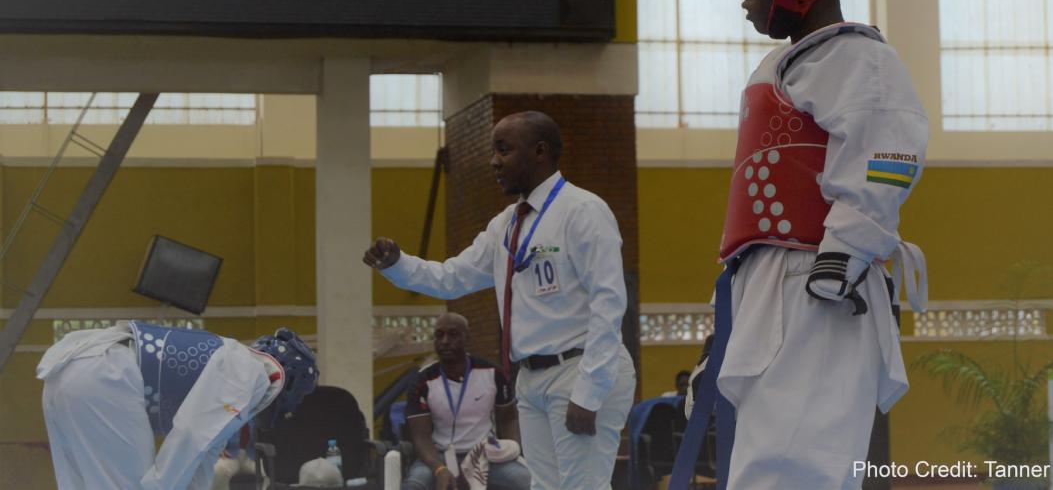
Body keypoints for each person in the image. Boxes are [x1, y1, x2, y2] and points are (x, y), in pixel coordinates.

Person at [673, 0, 929, 490]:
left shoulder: (857, 59)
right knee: (765, 463)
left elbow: (889, 157)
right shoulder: (788, 64)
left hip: (819, 280)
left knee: (792, 468)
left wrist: (843, 255)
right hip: (766, 281)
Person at [364, 111, 636, 490]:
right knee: (544, 487)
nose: (494, 161)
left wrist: (590, 392)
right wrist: (398, 265)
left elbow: (609, 305)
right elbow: (452, 278)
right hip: (531, 378)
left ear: (540, 151)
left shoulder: (583, 211)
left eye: (504, 150)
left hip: (581, 369)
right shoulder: (506, 225)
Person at [37, 322, 317, 490]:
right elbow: (191, 437)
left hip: (68, 373)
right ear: (287, 385)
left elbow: (202, 454)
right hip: (105, 375)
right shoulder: (248, 372)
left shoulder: (232, 363)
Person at [402, 312, 530, 490]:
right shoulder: (422, 381)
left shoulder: (493, 373)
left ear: (467, 338)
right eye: (439, 335)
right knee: (414, 485)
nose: (445, 341)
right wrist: (438, 469)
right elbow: (420, 437)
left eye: (453, 334)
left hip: (485, 454)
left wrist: (512, 449)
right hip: (439, 455)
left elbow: (508, 418)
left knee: (525, 481)